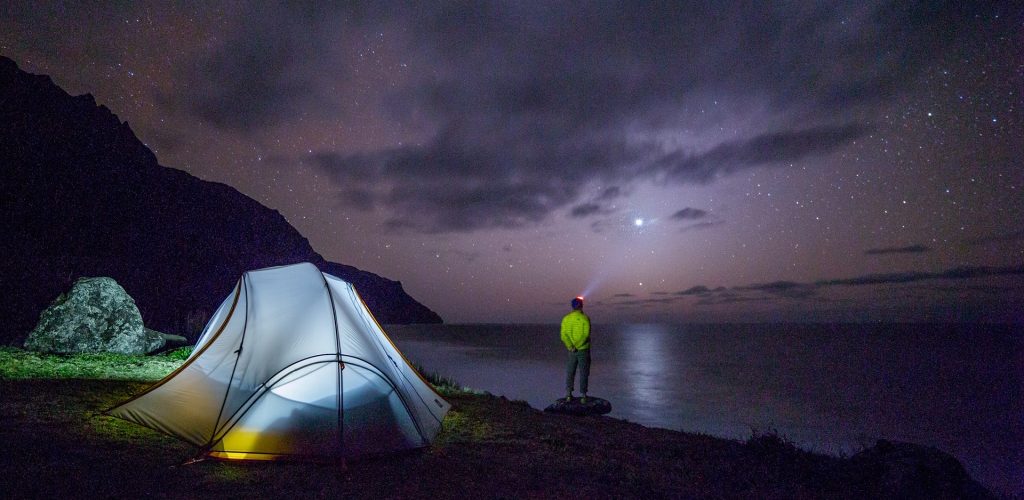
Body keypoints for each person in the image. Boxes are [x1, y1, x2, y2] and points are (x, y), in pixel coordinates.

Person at [560, 296, 591, 403]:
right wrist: (578, 346)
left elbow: (563, 335)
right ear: (581, 306)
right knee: (584, 372)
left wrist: (571, 346)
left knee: (570, 371)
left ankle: (568, 394)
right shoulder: (585, 318)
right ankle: (583, 396)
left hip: (571, 350)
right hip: (583, 350)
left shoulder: (566, 319)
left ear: (572, 306)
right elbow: (585, 335)